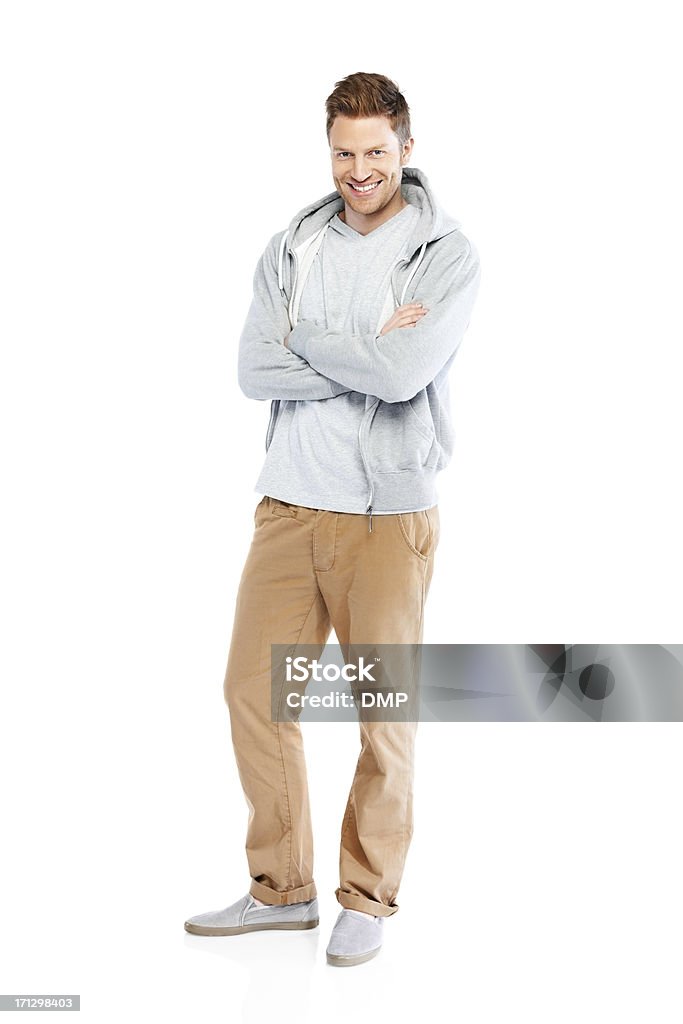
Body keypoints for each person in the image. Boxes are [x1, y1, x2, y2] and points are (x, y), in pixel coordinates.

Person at [184, 71, 481, 967]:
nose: (360, 171)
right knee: (251, 692)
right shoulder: (294, 244)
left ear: (406, 148)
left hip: (387, 516)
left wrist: (307, 340)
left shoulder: (445, 251)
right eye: (345, 154)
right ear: (330, 151)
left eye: (377, 153)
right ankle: (281, 890)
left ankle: (368, 897)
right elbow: (251, 368)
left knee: (380, 714)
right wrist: (362, 344)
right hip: (287, 504)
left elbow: (402, 377)